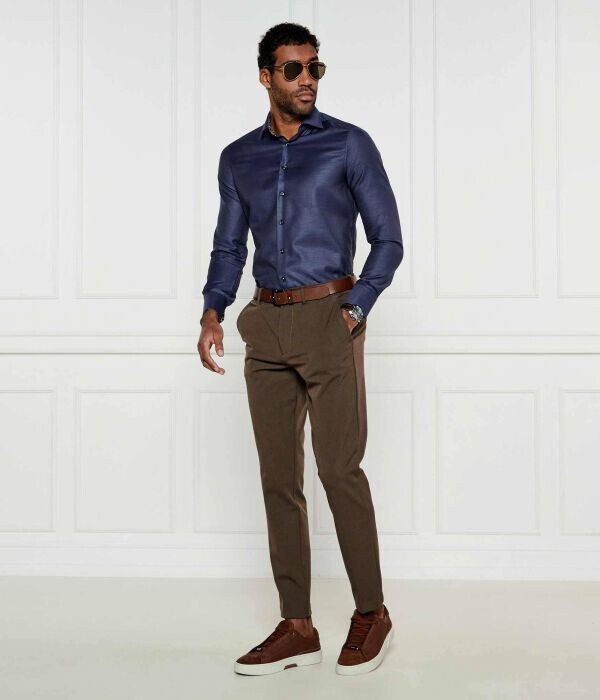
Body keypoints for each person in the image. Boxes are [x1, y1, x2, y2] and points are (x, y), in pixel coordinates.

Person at [197, 21, 403, 676]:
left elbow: (389, 239)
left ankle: (372, 613)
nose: (307, 79)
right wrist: (213, 310)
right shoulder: (239, 158)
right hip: (266, 324)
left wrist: (356, 307)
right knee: (278, 480)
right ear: (266, 76)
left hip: (329, 318)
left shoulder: (348, 143)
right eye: (293, 69)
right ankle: (298, 625)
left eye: (315, 67)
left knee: (339, 470)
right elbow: (230, 244)